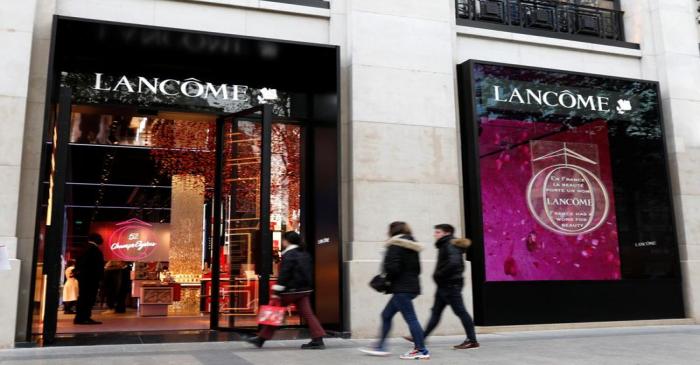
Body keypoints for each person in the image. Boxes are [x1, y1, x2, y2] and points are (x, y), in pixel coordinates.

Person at [360, 222, 430, 360]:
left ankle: (421, 349)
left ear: (393, 231)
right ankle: (380, 346)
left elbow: (393, 268)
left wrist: (386, 279)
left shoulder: (395, 245)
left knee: (411, 318)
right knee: (386, 315)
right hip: (410, 287)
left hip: (401, 288)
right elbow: (418, 269)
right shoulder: (412, 246)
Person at [247, 231, 327, 350]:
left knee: (275, 311)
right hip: (303, 290)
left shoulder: (289, 254)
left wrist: (277, 290)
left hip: (290, 290)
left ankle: (261, 339)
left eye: (284, 240)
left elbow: (285, 273)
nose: (283, 242)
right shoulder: (304, 253)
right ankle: (318, 339)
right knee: (308, 314)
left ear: (287, 241)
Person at [404, 224, 479, 349]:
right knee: (436, 313)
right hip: (444, 286)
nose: (435, 234)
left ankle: (472, 340)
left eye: (438, 232)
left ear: (447, 233)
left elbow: (454, 263)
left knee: (461, 312)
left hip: (450, 286)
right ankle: (421, 337)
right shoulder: (446, 244)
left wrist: (439, 274)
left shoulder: (449, 244)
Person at [74, 233, 106, 325]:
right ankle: (84, 317)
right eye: (100, 238)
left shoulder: (84, 248)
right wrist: (100, 278)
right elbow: (97, 266)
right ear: (96, 239)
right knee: (88, 298)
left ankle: (80, 317)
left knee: (83, 297)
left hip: (84, 278)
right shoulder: (93, 250)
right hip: (91, 279)